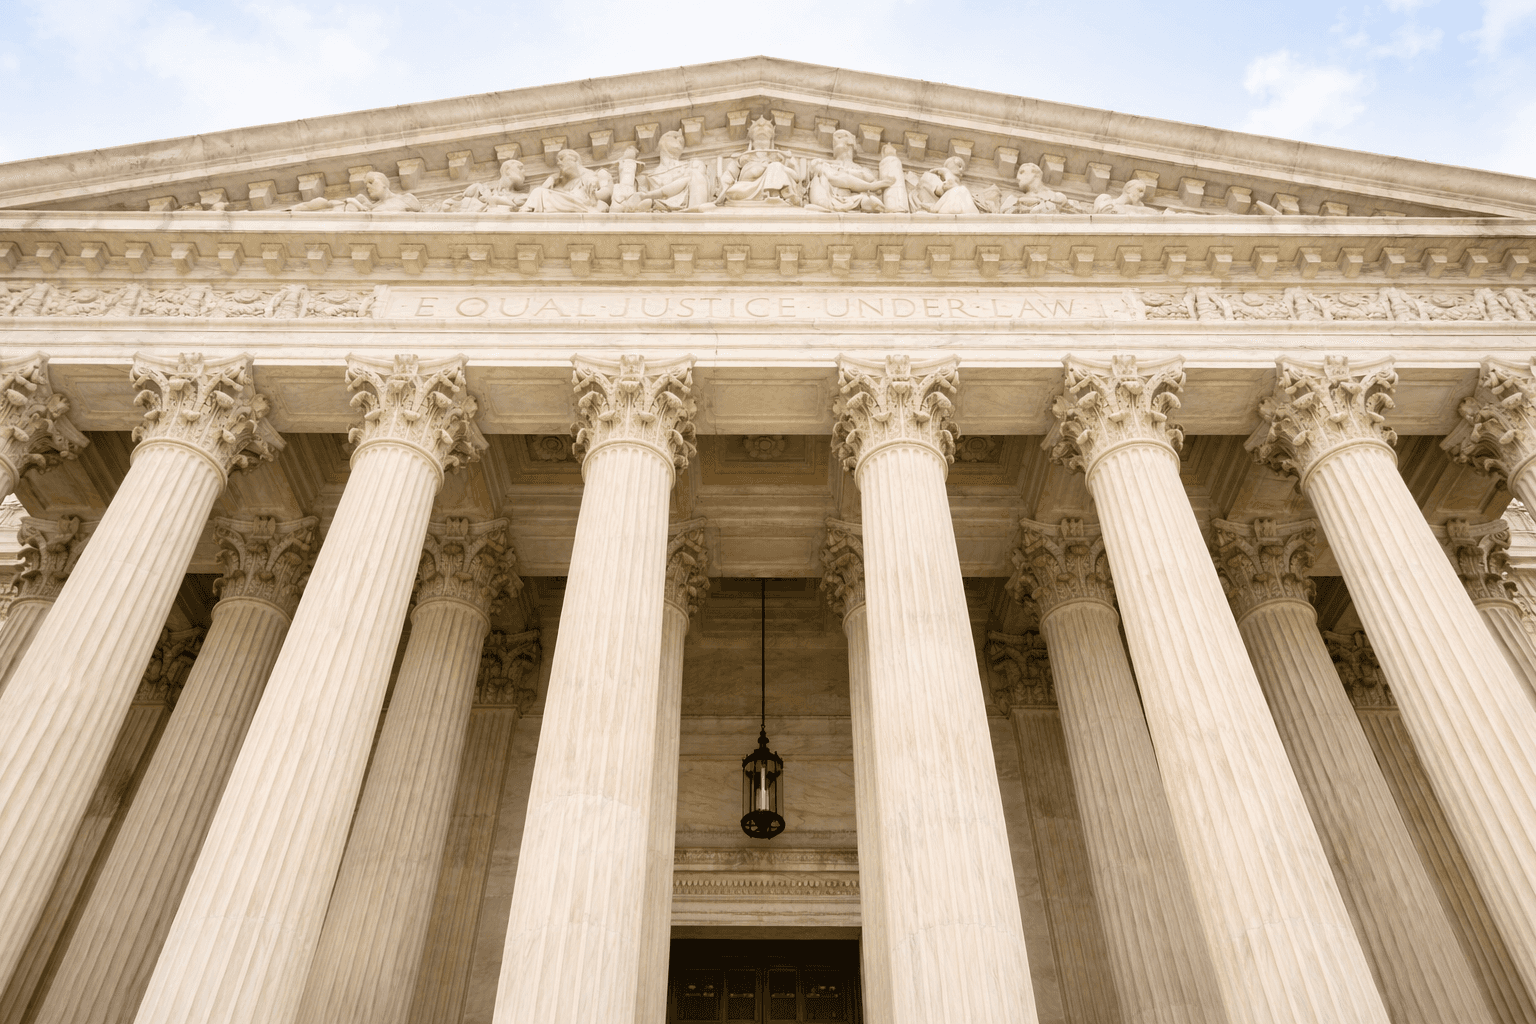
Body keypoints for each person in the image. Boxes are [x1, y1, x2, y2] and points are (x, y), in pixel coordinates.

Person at [716, 117, 807, 205]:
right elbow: (729, 175)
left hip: (773, 181)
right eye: (758, 140)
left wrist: (783, 164)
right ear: (752, 140)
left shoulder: (781, 157)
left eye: (765, 140)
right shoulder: (743, 158)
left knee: (775, 166)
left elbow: (796, 177)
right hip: (746, 188)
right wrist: (722, 191)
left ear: (770, 140)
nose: (762, 142)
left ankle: (774, 194)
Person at [806, 129, 893, 213]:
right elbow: (836, 178)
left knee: (873, 202)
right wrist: (870, 186)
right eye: (837, 137)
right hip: (826, 200)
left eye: (843, 136)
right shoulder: (822, 163)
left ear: (851, 142)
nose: (837, 138)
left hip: (852, 200)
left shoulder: (863, 170)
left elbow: (873, 185)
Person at [522, 149, 610, 213]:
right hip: (569, 205)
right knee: (539, 192)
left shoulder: (597, 174)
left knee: (539, 192)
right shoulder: (558, 184)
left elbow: (606, 194)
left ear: (574, 159)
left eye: (561, 158)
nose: (558, 163)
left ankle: (524, 214)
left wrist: (594, 194)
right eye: (557, 161)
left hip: (584, 205)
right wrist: (551, 179)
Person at [291, 171, 421, 213]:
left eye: (371, 182)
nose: (368, 187)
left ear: (384, 183)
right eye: (366, 185)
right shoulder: (371, 206)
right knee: (325, 202)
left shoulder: (406, 199)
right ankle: (292, 210)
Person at [443, 159, 528, 213]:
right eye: (520, 168)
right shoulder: (480, 188)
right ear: (507, 170)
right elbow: (448, 204)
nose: (524, 171)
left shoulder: (522, 197)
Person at [913, 155, 978, 214]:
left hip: (963, 217)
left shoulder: (962, 190)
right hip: (948, 213)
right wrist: (947, 173)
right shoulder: (930, 177)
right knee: (961, 190)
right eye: (959, 166)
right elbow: (945, 187)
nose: (961, 170)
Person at [1005, 163, 1076, 214]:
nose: (1018, 178)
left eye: (1022, 172)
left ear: (1035, 174)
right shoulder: (1013, 199)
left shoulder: (1057, 197)